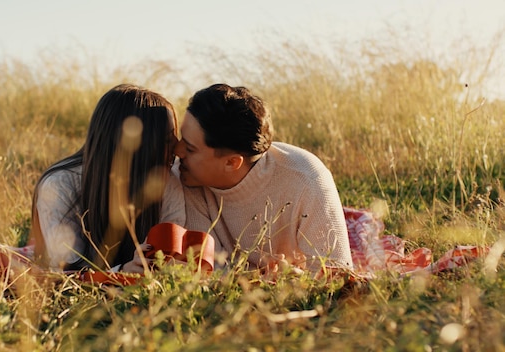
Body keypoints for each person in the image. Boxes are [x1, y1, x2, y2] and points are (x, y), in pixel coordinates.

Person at [174, 83, 353, 274]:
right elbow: (208, 274)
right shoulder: (183, 176)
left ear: (232, 162)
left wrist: (295, 278)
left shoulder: (306, 178)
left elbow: (336, 273)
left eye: (190, 148)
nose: (177, 151)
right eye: (181, 138)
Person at [29, 84, 185, 273]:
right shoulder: (59, 184)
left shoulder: (167, 181)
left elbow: (172, 259)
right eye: (168, 139)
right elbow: (65, 271)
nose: (178, 148)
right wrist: (122, 272)